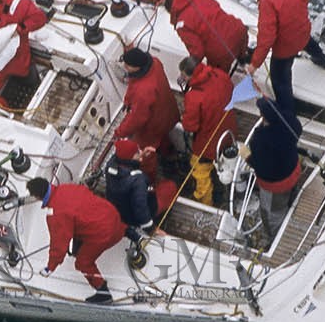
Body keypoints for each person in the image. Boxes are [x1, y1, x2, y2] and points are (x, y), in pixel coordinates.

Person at [249, 0, 325, 112]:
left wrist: (254, 64)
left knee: (280, 81)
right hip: (303, 34)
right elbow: (305, 0)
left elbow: (266, 39)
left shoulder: (267, 1)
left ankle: (287, 113)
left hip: (285, 49)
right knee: (311, 46)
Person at [27, 177, 126, 304]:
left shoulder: (55, 214)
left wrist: (50, 267)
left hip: (103, 233)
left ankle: (103, 293)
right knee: (90, 222)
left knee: (82, 263)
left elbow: (59, 246)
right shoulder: (67, 187)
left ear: (38, 196)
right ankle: (130, 232)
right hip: (113, 216)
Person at [177, 56, 237, 204]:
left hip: (208, 144)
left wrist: (184, 116)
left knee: (200, 172)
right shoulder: (221, 75)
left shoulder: (194, 97)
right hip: (229, 131)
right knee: (225, 163)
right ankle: (224, 186)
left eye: (183, 75)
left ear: (189, 75)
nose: (181, 78)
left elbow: (191, 126)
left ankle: (205, 202)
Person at [115, 47, 180, 179]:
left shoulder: (143, 91)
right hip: (168, 113)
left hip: (153, 125)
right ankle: (171, 157)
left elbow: (138, 118)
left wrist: (120, 132)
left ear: (137, 67)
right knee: (163, 138)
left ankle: (150, 179)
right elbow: (135, 84)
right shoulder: (155, 62)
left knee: (146, 154)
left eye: (128, 65)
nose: (125, 67)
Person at [246, 96, 304, 238]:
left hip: (276, 186)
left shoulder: (260, 139)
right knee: (289, 195)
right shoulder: (289, 120)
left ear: (263, 116)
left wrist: (246, 156)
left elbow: (259, 166)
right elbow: (298, 129)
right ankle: (291, 202)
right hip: (293, 171)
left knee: (272, 215)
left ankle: (274, 237)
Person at [165, 0, 249, 73]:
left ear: (171, 11)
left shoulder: (181, 24)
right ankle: (243, 58)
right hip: (240, 30)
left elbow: (198, 52)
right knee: (237, 47)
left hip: (222, 51)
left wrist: (189, 69)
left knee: (217, 78)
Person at [103, 138, 158, 240]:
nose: (141, 152)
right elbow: (140, 207)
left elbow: (128, 160)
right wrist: (151, 229)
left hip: (118, 209)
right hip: (134, 218)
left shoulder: (110, 166)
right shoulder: (138, 180)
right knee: (170, 187)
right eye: (137, 152)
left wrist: (139, 157)